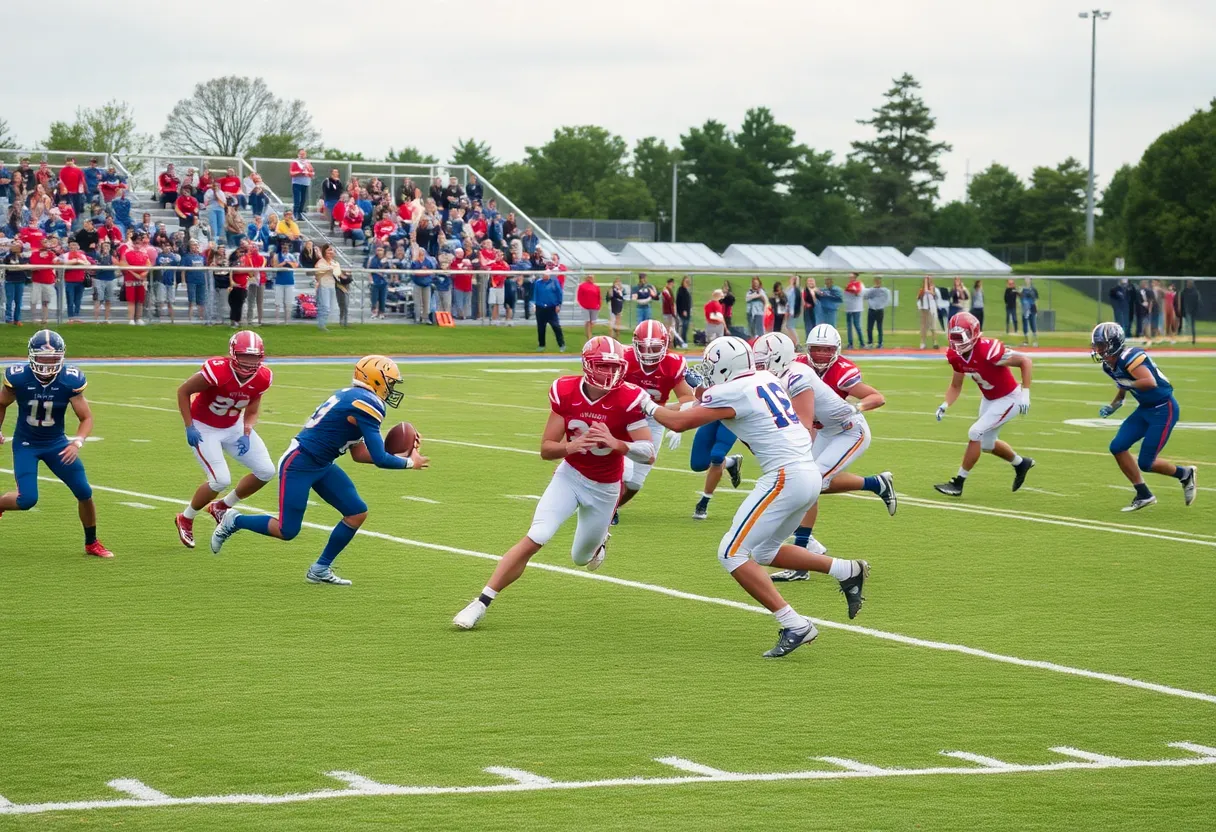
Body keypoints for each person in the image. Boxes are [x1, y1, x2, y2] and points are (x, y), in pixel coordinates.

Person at [637, 337, 870, 656]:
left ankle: (795, 624)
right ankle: (846, 570)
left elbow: (678, 421)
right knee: (763, 551)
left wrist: (645, 402)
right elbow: (720, 402)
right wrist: (698, 393)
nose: (705, 373)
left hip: (785, 476)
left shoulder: (734, 391)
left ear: (724, 366)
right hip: (806, 473)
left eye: (710, 367)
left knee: (730, 553)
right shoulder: (765, 379)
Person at [453, 337, 653, 630]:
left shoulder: (628, 398)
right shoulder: (566, 390)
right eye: (603, 366)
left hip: (606, 487)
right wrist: (572, 447)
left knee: (581, 558)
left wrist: (617, 443)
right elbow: (547, 448)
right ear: (587, 365)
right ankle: (480, 602)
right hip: (570, 477)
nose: (610, 374)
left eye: (615, 366)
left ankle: (599, 542)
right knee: (538, 534)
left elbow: (649, 453)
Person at [211, 356, 427, 584]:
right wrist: (411, 462)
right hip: (300, 463)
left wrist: (397, 455)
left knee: (356, 512)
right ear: (375, 379)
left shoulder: (354, 396)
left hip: (322, 464)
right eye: (390, 382)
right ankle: (234, 521)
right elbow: (381, 460)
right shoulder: (367, 404)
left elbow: (359, 454)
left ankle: (320, 569)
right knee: (287, 530)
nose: (391, 388)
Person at [754, 330, 896, 581]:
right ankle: (876, 484)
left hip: (848, 431)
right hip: (824, 430)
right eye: (816, 348)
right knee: (807, 483)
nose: (820, 354)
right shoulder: (795, 365)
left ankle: (803, 553)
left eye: (826, 349)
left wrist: (854, 408)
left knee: (810, 483)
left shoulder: (809, 373)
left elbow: (876, 397)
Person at [0, 330, 113, 557]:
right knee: (27, 499)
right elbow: (1, 403)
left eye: (53, 359)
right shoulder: (18, 377)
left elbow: (86, 418)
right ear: (32, 356)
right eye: (42, 358)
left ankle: (91, 542)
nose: (47, 364)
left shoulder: (70, 380)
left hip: (56, 444)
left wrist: (77, 443)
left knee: (84, 491)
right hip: (26, 445)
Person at [173, 332, 276, 547]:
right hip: (204, 427)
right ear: (233, 354)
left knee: (266, 471)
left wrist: (247, 430)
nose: (249, 363)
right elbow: (183, 391)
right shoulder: (217, 370)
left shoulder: (263, 376)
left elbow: (253, 407)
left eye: (254, 357)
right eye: (244, 357)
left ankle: (222, 506)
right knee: (220, 480)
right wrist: (189, 426)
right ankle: (186, 517)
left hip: (233, 426)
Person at [1091, 322, 1196, 512]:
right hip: (1145, 408)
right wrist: (1114, 404)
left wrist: (1127, 383)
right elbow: (1123, 384)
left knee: (1147, 463)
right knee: (1117, 446)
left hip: (1164, 408)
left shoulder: (1130, 356)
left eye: (1101, 344)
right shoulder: (1109, 365)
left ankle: (1185, 474)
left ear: (1113, 343)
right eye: (1096, 344)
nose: (1098, 349)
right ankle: (1143, 493)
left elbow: (1149, 382)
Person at [933, 312, 1035, 497]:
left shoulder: (988, 350)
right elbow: (956, 385)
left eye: (961, 337)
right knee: (987, 444)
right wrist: (945, 404)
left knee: (975, 432)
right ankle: (1021, 464)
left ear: (973, 334)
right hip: (989, 399)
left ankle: (958, 483)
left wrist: (1026, 393)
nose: (957, 343)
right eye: (954, 337)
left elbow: (1025, 361)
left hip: (1010, 398)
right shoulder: (956, 355)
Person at [614, 320, 696, 522]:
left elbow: (689, 399)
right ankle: (607, 511)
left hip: (652, 420)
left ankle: (609, 506)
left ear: (665, 345)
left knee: (636, 482)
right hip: (624, 417)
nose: (649, 352)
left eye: (655, 347)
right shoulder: (623, 358)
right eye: (643, 347)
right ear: (634, 344)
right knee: (624, 471)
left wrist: (660, 412)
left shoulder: (674, 363)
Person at [687, 358, 744, 520]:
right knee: (698, 464)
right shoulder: (708, 374)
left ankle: (704, 502)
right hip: (711, 417)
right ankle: (732, 462)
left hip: (731, 420)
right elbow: (699, 400)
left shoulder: (742, 378)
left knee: (717, 456)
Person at [120, 231, 151, 325]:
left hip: (141, 279)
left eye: (139, 241)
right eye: (136, 241)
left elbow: (148, 265)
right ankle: (131, 319)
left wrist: (144, 274)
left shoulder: (144, 252)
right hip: (130, 278)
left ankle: (138, 318)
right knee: (131, 299)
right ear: (133, 242)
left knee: (140, 299)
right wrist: (135, 274)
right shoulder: (127, 252)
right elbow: (123, 264)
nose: (138, 243)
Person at [533, 268, 565, 352]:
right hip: (540, 308)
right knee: (541, 328)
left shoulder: (554, 282)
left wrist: (558, 304)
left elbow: (559, 293)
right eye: (543, 274)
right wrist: (534, 304)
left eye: (546, 274)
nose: (544, 276)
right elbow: (535, 294)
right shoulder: (538, 283)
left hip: (551, 308)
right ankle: (541, 345)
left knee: (556, 327)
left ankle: (561, 344)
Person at [27, 238, 57, 325]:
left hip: (48, 280)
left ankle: (44, 319)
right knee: (34, 300)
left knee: (45, 301)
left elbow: (54, 264)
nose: (47, 244)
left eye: (47, 242)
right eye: (44, 242)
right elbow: (34, 265)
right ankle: (33, 318)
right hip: (37, 280)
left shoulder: (51, 254)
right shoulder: (35, 254)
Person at [60, 240, 90, 323]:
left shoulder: (82, 256)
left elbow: (88, 264)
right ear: (69, 247)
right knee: (70, 299)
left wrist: (78, 262)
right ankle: (71, 317)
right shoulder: (65, 255)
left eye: (75, 245)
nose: (73, 247)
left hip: (80, 281)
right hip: (69, 281)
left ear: (78, 247)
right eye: (72, 245)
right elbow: (60, 263)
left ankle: (76, 316)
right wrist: (76, 261)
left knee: (78, 300)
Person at [313, 244, 340, 331]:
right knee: (325, 306)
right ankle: (321, 325)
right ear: (324, 251)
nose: (330, 252)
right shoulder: (321, 262)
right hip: (323, 285)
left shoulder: (335, 263)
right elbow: (317, 274)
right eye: (328, 250)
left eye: (332, 250)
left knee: (330, 307)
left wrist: (330, 269)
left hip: (332, 286)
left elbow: (337, 273)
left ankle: (322, 324)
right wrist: (328, 269)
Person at [153, 240, 180, 323]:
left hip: (171, 281)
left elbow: (177, 262)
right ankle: (160, 320)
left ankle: (172, 320)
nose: (167, 248)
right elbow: (157, 264)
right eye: (165, 246)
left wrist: (174, 253)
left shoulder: (174, 257)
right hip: (161, 281)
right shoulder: (159, 256)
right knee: (161, 300)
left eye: (168, 246)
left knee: (170, 301)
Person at [271, 242, 298, 324]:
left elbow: (296, 266)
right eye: (283, 248)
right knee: (278, 302)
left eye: (286, 247)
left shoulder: (291, 256)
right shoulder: (276, 256)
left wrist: (288, 263)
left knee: (288, 302)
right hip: (279, 282)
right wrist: (282, 264)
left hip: (289, 281)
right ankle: (277, 320)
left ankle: (287, 321)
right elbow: (274, 267)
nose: (285, 249)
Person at [182, 239, 207, 322]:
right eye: (193, 245)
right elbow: (183, 270)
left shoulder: (202, 257)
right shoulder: (186, 257)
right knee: (191, 299)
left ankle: (201, 317)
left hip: (201, 280)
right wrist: (183, 281)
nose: (195, 247)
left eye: (196, 245)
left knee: (201, 300)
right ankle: (190, 317)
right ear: (190, 247)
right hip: (191, 280)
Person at [3, 240, 27, 325]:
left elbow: (25, 266)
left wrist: (19, 267)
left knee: (18, 301)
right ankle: (8, 318)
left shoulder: (23, 257)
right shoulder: (8, 257)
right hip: (10, 280)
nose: (15, 247)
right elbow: (8, 268)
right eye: (14, 245)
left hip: (20, 280)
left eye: (17, 246)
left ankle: (17, 319)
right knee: (9, 301)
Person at [863, 276, 890, 348]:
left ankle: (880, 343)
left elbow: (887, 298)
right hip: (872, 310)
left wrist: (883, 305)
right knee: (869, 328)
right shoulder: (871, 290)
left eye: (878, 281)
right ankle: (870, 343)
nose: (877, 282)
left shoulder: (884, 290)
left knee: (879, 327)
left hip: (879, 310)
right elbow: (865, 297)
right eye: (876, 281)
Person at [289, 149, 315, 219]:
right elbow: (291, 173)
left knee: (303, 200)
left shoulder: (308, 163)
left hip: (305, 183)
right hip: (297, 183)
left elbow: (312, 173)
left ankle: (300, 213)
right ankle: (295, 213)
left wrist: (308, 173)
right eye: (301, 154)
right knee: (297, 200)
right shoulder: (295, 162)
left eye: (304, 154)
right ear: (298, 154)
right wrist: (300, 172)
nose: (302, 155)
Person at [917, 276, 940, 349]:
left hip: (932, 310)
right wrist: (924, 289)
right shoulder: (922, 290)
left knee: (933, 326)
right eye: (926, 280)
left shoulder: (934, 289)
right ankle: (923, 343)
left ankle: (935, 342)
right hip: (924, 310)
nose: (927, 281)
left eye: (928, 280)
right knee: (924, 327)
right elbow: (919, 297)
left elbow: (935, 296)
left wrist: (929, 290)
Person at [843, 273, 865, 349]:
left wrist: (851, 290)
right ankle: (850, 343)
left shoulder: (859, 284)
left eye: (852, 277)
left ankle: (862, 343)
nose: (850, 278)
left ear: (855, 277)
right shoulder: (848, 285)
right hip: (849, 308)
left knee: (857, 325)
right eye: (850, 277)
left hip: (856, 308)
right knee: (849, 326)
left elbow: (858, 293)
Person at [576, 273, 601, 340]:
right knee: (587, 321)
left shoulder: (596, 287)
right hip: (585, 307)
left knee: (592, 322)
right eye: (590, 277)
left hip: (594, 307)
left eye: (592, 277)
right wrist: (582, 304)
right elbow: (579, 296)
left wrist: (599, 305)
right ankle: (589, 336)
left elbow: (599, 297)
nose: (591, 279)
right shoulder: (582, 286)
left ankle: (588, 333)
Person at [1019, 277, 1039, 347]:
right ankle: (1026, 341)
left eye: (1028, 279)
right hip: (1025, 309)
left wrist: (1036, 309)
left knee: (1033, 324)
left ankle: (1035, 341)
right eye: (1026, 279)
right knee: (1025, 325)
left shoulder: (1033, 289)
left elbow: (1036, 300)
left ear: (1030, 280)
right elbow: (1020, 299)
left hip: (1032, 308)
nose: (1027, 281)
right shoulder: (1022, 289)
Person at [676, 275, 693, 346]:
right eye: (686, 281)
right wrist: (684, 310)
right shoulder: (681, 290)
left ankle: (683, 341)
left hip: (687, 311)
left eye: (688, 282)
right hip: (683, 312)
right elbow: (681, 301)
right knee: (683, 327)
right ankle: (682, 342)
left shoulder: (687, 290)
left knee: (685, 328)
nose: (687, 283)